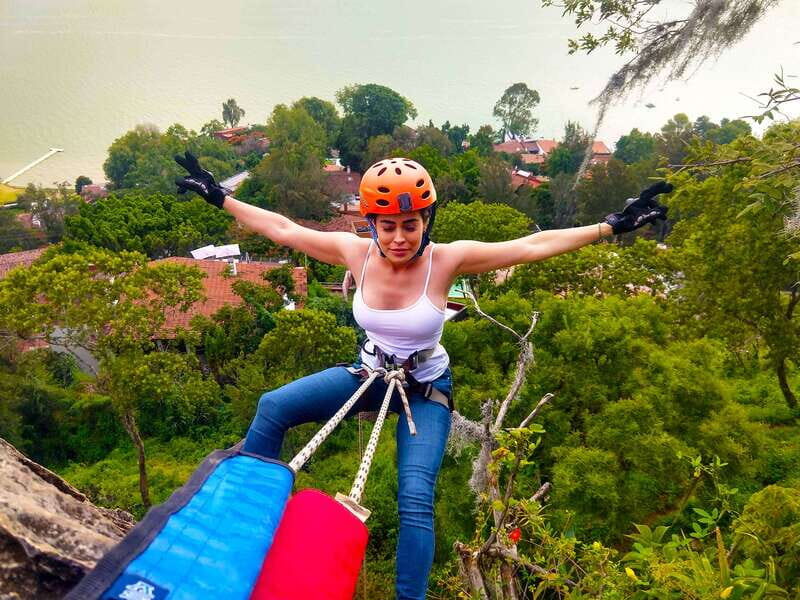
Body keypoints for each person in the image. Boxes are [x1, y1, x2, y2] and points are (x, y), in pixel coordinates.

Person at [175, 152, 671, 599]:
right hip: (370, 375)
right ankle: (241, 526)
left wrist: (611, 226)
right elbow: (283, 229)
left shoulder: (446, 260)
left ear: (426, 220)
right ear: (371, 224)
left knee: (415, 496)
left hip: (425, 389)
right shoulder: (355, 252)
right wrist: (221, 198)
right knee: (272, 407)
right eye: (387, 226)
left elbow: (530, 246)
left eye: (409, 225)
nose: (398, 238)